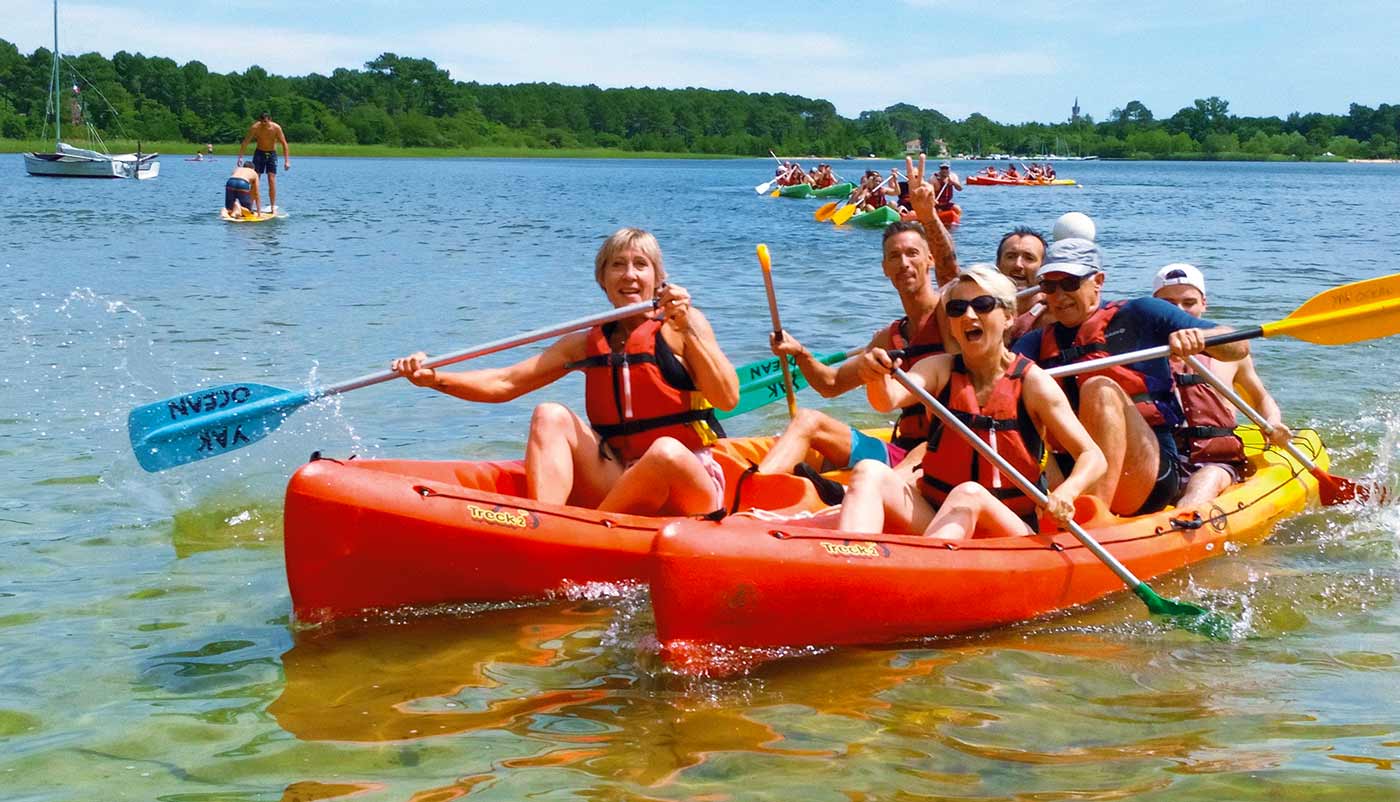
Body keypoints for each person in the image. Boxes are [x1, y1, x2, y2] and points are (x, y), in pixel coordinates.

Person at [391, 228, 740, 516]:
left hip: (686, 482)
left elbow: (727, 397)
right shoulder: (584, 343)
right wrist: (435, 378)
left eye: (641, 265)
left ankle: (589, 532)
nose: (629, 274)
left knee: (664, 450)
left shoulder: (682, 325)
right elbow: (505, 382)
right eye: (617, 265)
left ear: (658, 278)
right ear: (602, 279)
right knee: (550, 414)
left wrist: (690, 328)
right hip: (620, 477)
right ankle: (545, 527)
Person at [838, 265, 1107, 538]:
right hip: (936, 513)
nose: (968, 315)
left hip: (1007, 527)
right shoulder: (939, 369)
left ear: (1009, 317)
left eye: (982, 305)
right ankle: (851, 561)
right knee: (868, 471)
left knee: (969, 493)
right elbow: (887, 401)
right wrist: (874, 375)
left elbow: (1093, 456)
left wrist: (1067, 491)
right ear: (952, 324)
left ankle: (926, 570)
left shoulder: (1032, 383)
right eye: (957, 308)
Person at [1012, 239, 1250, 517]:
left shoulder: (1142, 314)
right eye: (1049, 286)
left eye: (1070, 283)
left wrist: (1200, 337)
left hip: (1145, 473)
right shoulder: (1036, 341)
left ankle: (1092, 515)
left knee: (1099, 387)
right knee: (1013, 395)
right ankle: (1049, 507)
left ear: (1098, 281)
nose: (1059, 295)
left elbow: (1238, 347)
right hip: (1069, 472)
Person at [756, 220, 951, 496]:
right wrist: (800, 353)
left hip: (945, 451)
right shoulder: (888, 338)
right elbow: (831, 384)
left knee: (925, 449)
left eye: (912, 253)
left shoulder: (952, 316)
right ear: (885, 269)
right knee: (808, 419)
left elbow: (956, 276)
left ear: (930, 259)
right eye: (894, 256)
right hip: (900, 449)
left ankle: (846, 495)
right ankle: (755, 491)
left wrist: (928, 215)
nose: (904, 263)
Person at [1151, 263, 1292, 507]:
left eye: (1189, 303)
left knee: (1208, 478)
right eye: (1169, 304)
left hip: (1215, 462)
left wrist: (1273, 422)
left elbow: (1259, 398)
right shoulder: (1138, 354)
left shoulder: (1232, 353)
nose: (1180, 311)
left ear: (1203, 303)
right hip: (1161, 459)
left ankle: (1187, 521)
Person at [996, 227, 1049, 340]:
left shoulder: (1054, 312)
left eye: (1029, 258)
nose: (1018, 265)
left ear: (1043, 268)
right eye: (1010, 256)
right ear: (998, 265)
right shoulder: (979, 308)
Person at [237, 112, 291, 211]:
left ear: (270, 120)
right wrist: (240, 157)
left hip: (271, 154)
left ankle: (272, 207)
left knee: (271, 179)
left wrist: (287, 161)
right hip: (259, 153)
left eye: (265, 122)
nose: (264, 124)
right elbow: (246, 142)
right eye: (262, 122)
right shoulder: (255, 127)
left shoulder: (276, 128)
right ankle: (249, 207)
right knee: (255, 179)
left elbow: (284, 144)